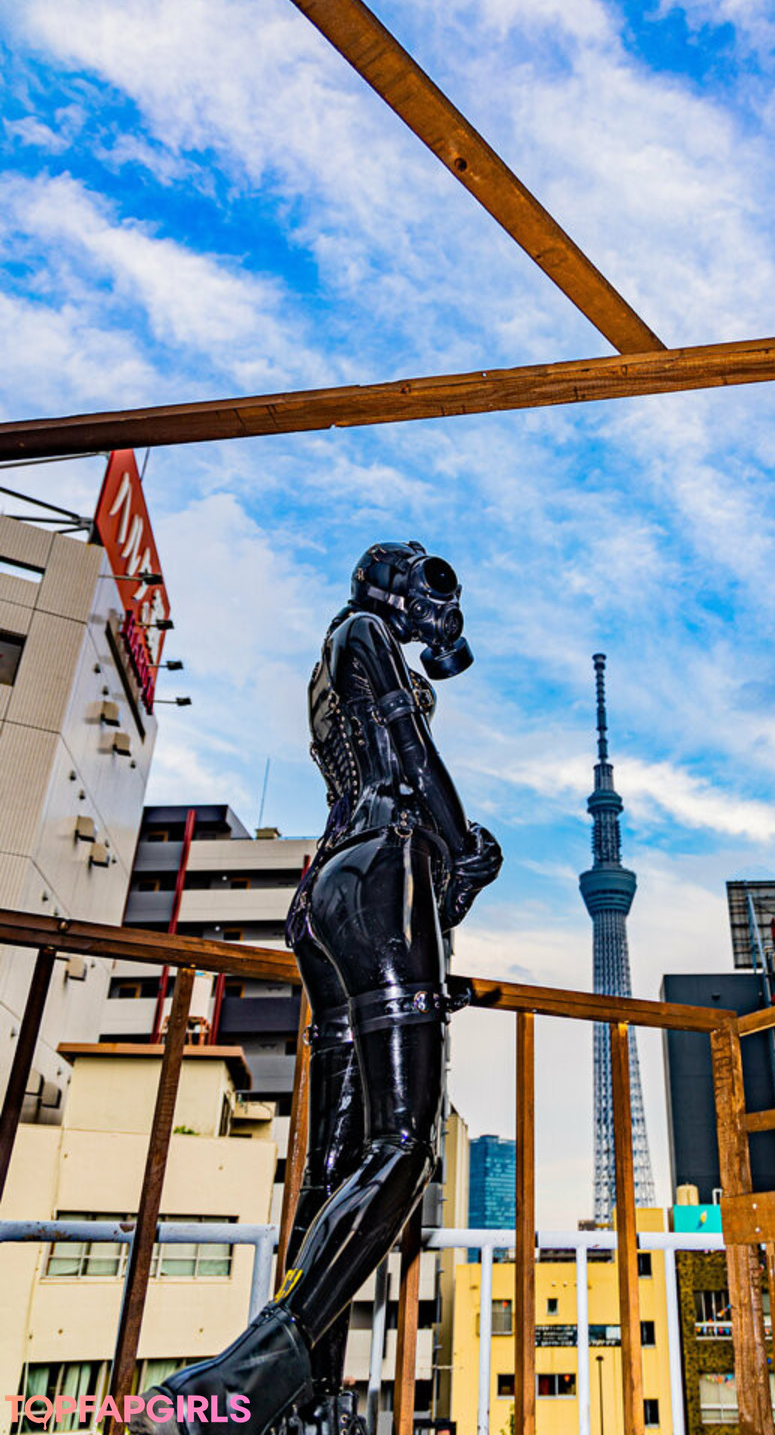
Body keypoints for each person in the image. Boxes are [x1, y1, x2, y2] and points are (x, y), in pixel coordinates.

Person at [134, 543, 501, 1435]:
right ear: (393, 585)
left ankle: (309, 1400)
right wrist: (464, 845)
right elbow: (409, 757)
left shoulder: (329, 662)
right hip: (383, 867)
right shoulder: (364, 629)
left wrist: (454, 873)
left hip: (326, 892)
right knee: (403, 1144)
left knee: (333, 1166)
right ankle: (258, 1377)